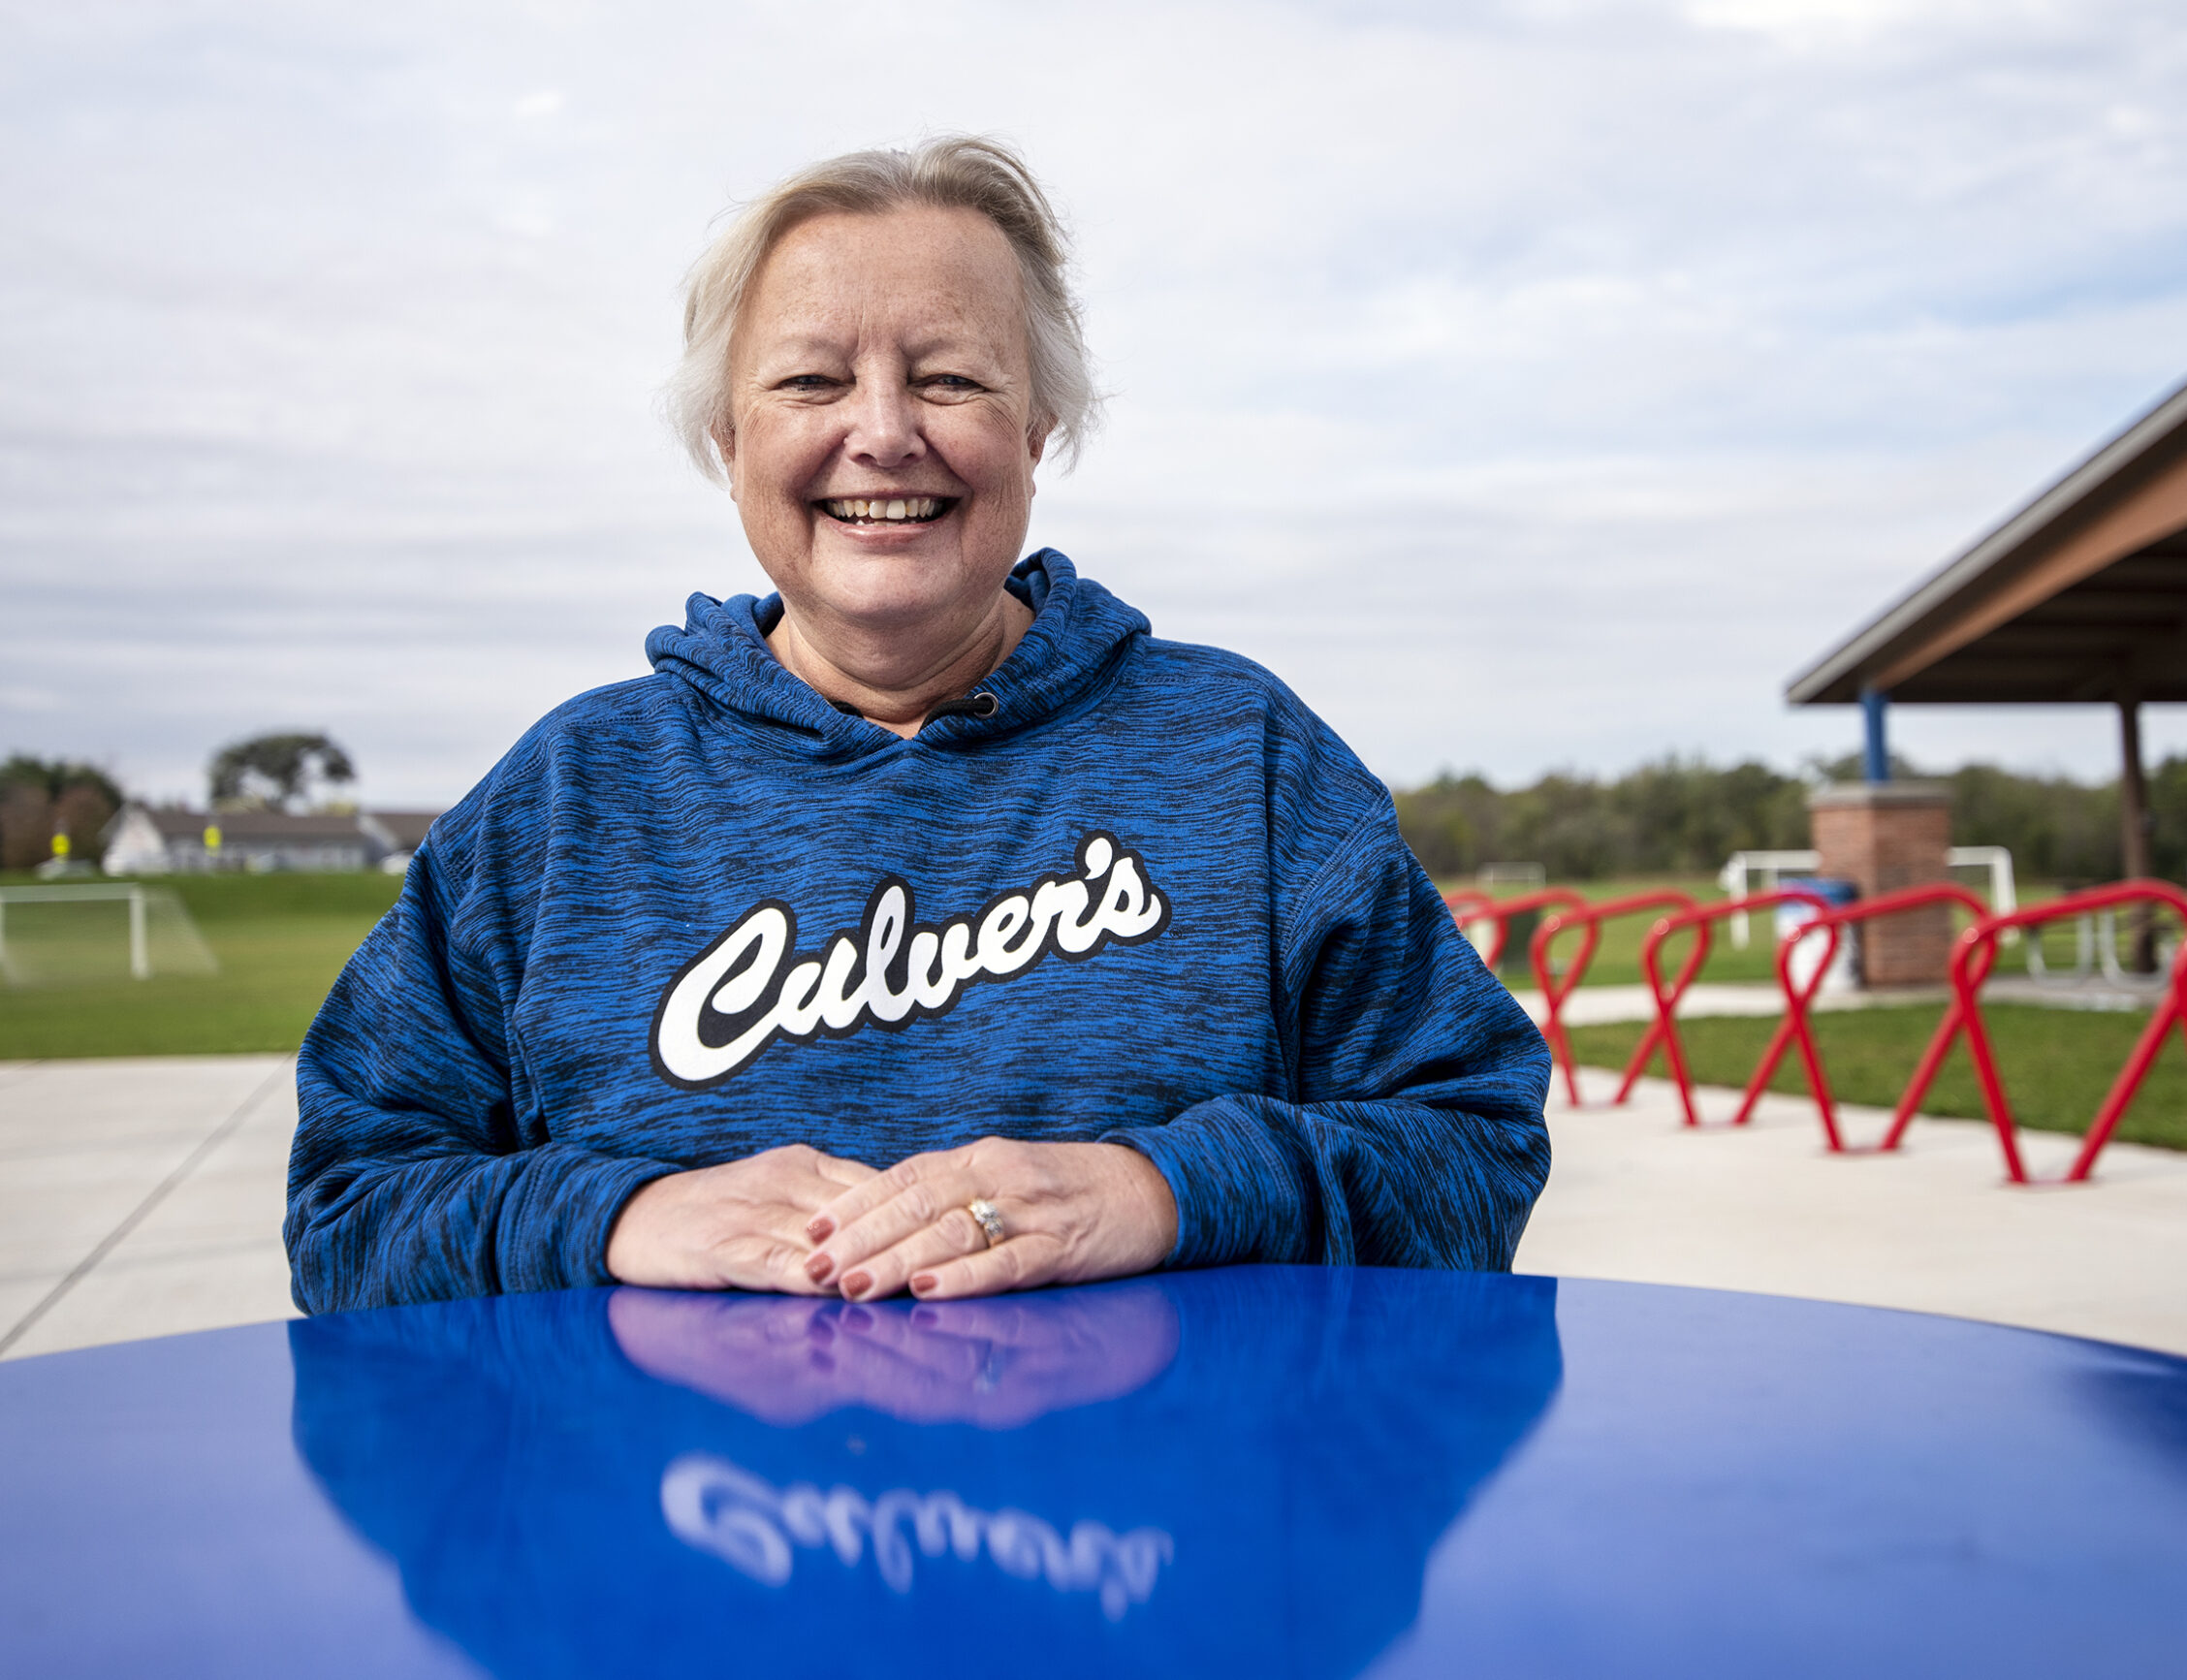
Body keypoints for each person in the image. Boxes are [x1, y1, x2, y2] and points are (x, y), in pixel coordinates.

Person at [284, 136, 1549, 1314]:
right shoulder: (569, 799)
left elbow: (1476, 1148)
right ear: (728, 440)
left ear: (1038, 425)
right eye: (810, 381)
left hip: (1169, 1533)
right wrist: (622, 1213)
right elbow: (346, 1209)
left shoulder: (1243, 758)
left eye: (948, 377)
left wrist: (1159, 1190)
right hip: (676, 1550)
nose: (882, 434)